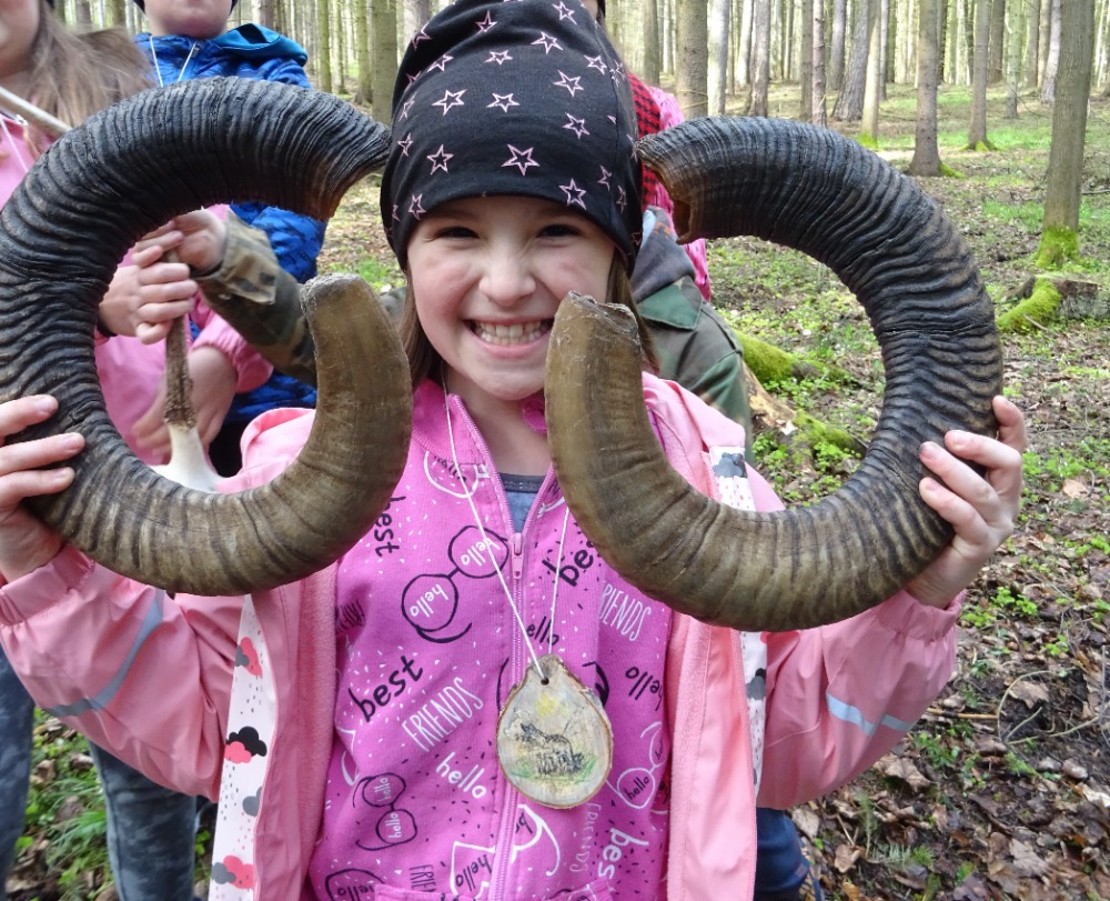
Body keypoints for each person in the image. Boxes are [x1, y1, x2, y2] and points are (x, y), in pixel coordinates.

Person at [0, 1, 1025, 897]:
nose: (505, 282)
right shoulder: (289, 473)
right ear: (405, 251)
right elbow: (203, 726)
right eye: (456, 232)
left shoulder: (707, 471)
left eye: (555, 231)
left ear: (619, 252)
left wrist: (915, 589)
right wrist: (37, 564)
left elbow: (786, 743)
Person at [0, 4, 272, 899]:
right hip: (9, 513)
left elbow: (231, 259)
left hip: (137, 507)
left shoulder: (120, 87)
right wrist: (84, 298)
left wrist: (218, 358)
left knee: (154, 771)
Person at [130, 0, 327, 475]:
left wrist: (230, 347)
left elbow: (299, 209)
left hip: (272, 379)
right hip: (136, 383)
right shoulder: (102, 77)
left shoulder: (274, 74)